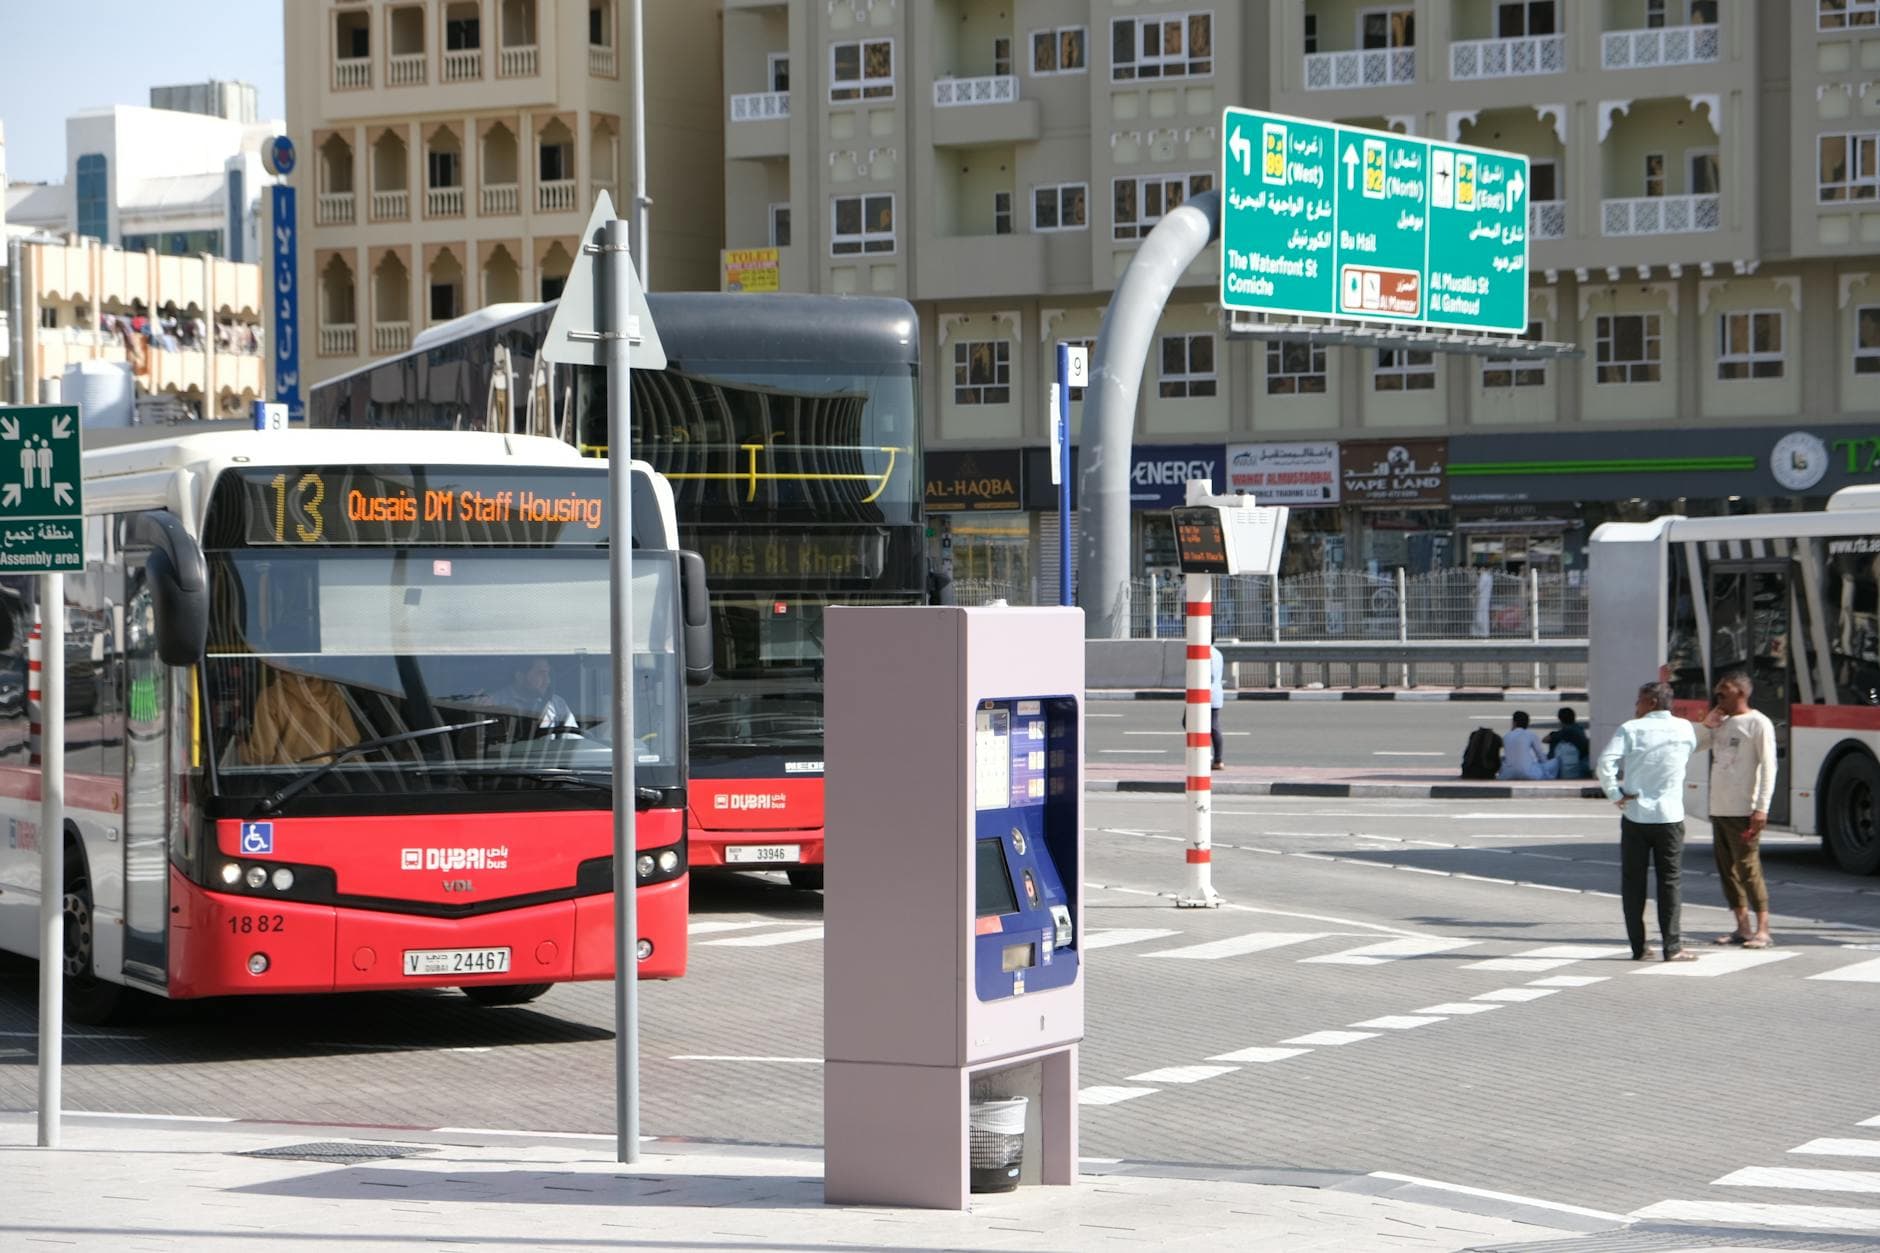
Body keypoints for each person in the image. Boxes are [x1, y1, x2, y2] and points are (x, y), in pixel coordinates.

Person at [1597, 680, 1701, 962]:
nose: (1636, 706)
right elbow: (1690, 749)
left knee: (1633, 883)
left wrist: (1615, 793)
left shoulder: (1630, 729)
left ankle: (1639, 947)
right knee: (1670, 882)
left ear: (1652, 702)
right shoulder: (1684, 728)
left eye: (1639, 701)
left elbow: (1605, 763)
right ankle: (1673, 946)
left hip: (1635, 815)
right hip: (1669, 817)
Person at [1697, 671, 1779, 949]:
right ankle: (1741, 927)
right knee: (1727, 870)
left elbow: (1769, 766)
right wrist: (1707, 725)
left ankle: (1763, 929)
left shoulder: (1758, 723)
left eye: (1724, 692)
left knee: (1748, 868)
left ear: (1741, 693)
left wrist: (1761, 808)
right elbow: (1695, 746)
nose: (1718, 696)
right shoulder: (1722, 723)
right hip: (1720, 807)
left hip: (1744, 809)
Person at [244, 667, 360, 766]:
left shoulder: (270, 698)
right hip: (326, 779)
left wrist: (240, 748)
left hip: (287, 783)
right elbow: (350, 741)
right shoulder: (333, 694)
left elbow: (263, 755)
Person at [488, 656, 577, 731]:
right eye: (541, 674)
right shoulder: (494, 703)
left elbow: (573, 740)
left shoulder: (556, 704)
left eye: (548, 674)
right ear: (520, 676)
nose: (547, 681)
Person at [1497, 710, 1551, 780]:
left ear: (1514, 723)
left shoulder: (1506, 736)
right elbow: (1541, 757)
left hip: (1508, 774)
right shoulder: (1531, 734)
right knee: (1555, 762)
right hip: (1528, 774)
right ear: (1527, 723)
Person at [1545, 707, 1592, 780]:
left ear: (1560, 720)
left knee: (1555, 743)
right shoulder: (1579, 728)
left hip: (1578, 763)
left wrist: (1553, 735)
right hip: (1583, 761)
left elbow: (1545, 739)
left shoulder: (1566, 731)